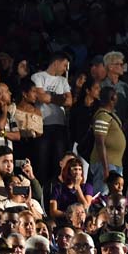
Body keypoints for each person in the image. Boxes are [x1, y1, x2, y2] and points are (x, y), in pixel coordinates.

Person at [31, 53, 73, 184]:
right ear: (56, 63)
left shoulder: (63, 81)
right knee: (42, 162)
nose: (65, 69)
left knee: (58, 162)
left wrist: (49, 97)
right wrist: (59, 99)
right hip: (42, 125)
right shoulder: (38, 77)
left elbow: (69, 101)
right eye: (64, 65)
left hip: (60, 126)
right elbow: (40, 97)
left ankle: (56, 191)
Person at [90, 87, 126, 195]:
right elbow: (100, 142)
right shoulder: (102, 116)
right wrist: (105, 168)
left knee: (115, 196)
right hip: (105, 164)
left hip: (115, 163)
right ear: (112, 98)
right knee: (102, 194)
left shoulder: (110, 115)